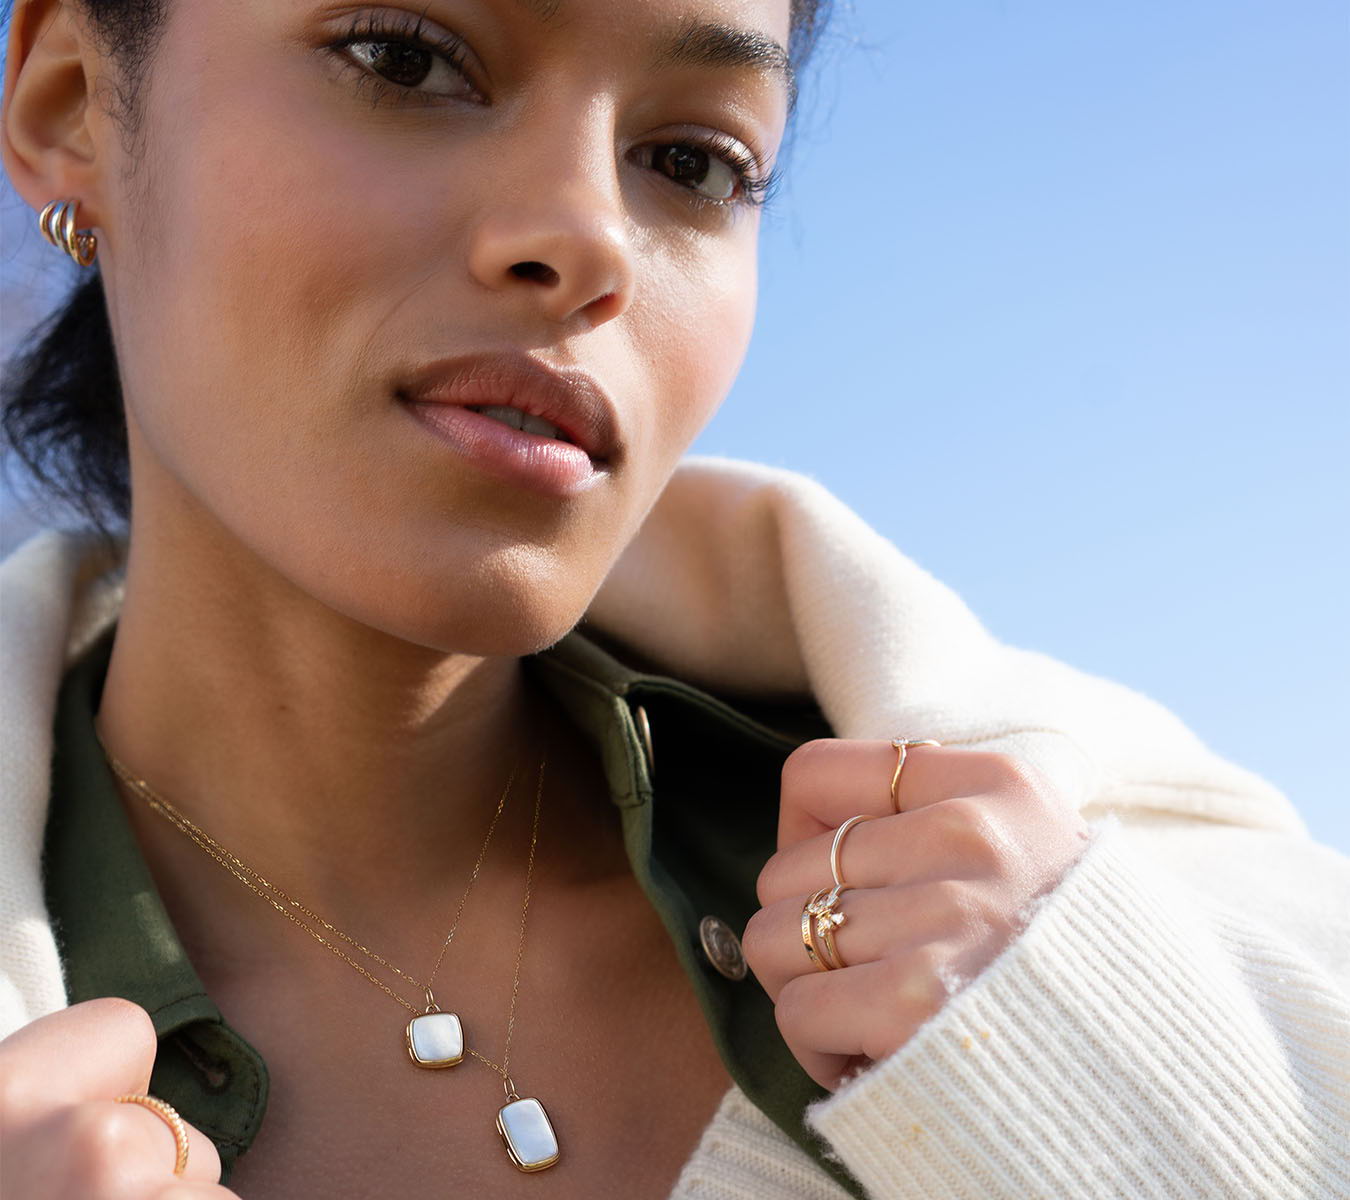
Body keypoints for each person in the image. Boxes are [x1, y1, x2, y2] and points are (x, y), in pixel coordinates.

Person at [1, 1, 1348, 1198]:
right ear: (72, 105)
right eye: (405, 60)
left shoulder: (1105, 904)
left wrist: (1112, 1085)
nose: (590, 240)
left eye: (693, 161)